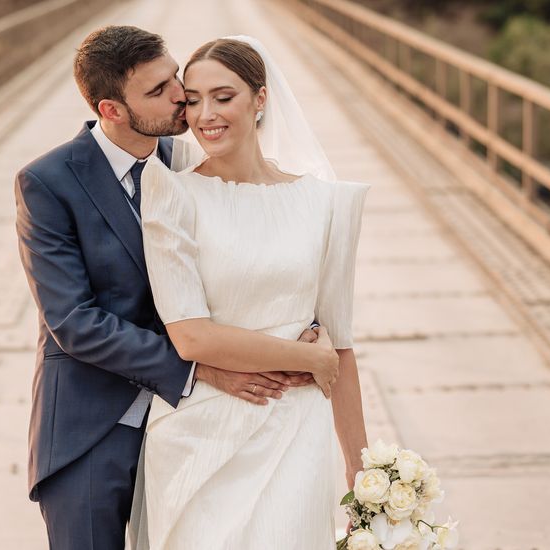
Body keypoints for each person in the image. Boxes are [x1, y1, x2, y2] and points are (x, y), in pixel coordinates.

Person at [14, 26, 332, 550]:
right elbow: (74, 322)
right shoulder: (48, 182)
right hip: (93, 422)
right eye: (158, 91)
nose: (181, 97)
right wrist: (197, 367)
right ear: (112, 110)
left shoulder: (184, 159)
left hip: (198, 424)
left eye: (174, 79)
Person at [129, 37, 371, 549]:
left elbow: (340, 344)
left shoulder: (326, 202)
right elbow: (191, 338)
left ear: (260, 99)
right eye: (192, 100)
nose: (205, 114)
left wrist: (361, 473)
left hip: (295, 430)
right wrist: (310, 361)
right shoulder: (171, 192)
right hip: (199, 431)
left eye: (224, 96)